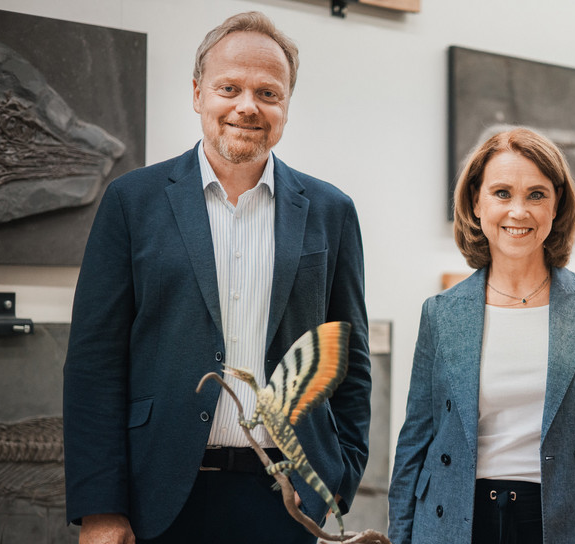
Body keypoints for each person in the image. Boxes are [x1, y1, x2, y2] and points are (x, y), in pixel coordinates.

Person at [62, 11, 370, 544]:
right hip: (157, 496)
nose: (247, 106)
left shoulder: (331, 211)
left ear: (286, 105)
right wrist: (100, 508)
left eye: (268, 93)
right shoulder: (131, 202)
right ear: (198, 93)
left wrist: (336, 480)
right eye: (229, 88)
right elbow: (95, 365)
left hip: (287, 500)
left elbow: (349, 358)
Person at [387, 127, 575, 543]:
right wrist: (398, 537)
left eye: (536, 195)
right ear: (476, 202)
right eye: (502, 193)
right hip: (456, 521)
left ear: (556, 204)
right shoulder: (440, 313)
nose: (518, 211)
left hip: (565, 521)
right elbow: (415, 440)